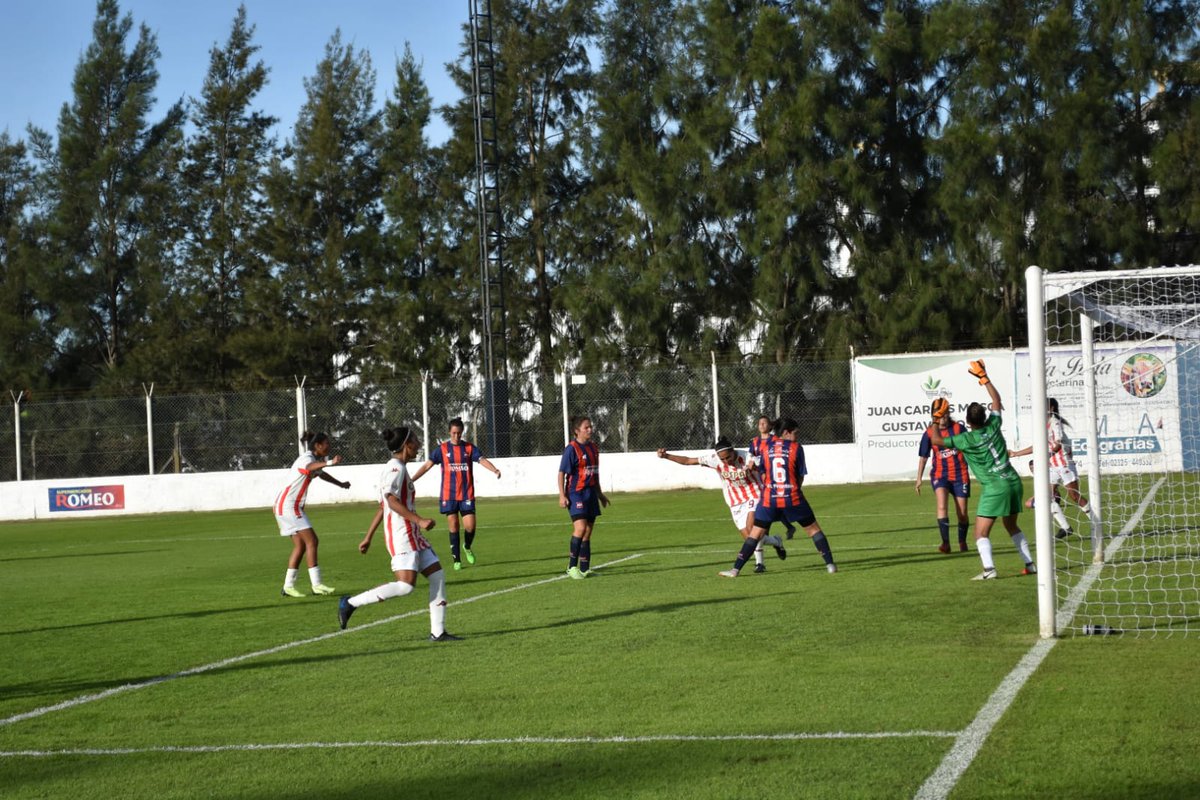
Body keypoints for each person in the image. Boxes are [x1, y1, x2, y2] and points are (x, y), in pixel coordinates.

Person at [337, 427, 461, 641]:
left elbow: (381, 507)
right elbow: (391, 501)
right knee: (405, 586)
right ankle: (350, 603)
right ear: (406, 445)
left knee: (437, 575)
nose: (418, 444)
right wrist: (419, 520)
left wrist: (368, 536)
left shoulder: (399, 468)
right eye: (415, 440)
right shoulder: (395, 469)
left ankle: (438, 632)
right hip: (401, 535)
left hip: (412, 534)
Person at [929, 360, 1036, 580]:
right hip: (1014, 481)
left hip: (995, 487)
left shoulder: (966, 439)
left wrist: (936, 417)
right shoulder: (994, 424)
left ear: (968, 421)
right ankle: (1030, 564)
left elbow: (937, 440)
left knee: (980, 533)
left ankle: (989, 570)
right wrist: (983, 377)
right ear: (984, 417)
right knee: (1011, 525)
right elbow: (996, 400)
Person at [719, 418, 836, 577]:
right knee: (813, 530)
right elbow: (800, 475)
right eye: (796, 433)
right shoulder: (796, 448)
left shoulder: (766, 448)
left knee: (755, 533)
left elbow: (761, 471)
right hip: (792, 495)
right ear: (786, 432)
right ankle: (830, 565)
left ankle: (735, 570)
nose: (797, 436)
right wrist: (793, 490)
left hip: (769, 498)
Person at [657, 437, 786, 573]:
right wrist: (666, 456)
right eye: (722, 459)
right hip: (735, 501)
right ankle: (776, 541)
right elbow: (688, 461)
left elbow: (764, 466)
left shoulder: (747, 457)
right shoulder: (714, 459)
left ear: (733, 451)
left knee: (751, 528)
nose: (726, 461)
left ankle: (759, 564)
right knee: (750, 537)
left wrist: (756, 467)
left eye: (728, 457)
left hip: (754, 494)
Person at [411, 417, 502, 570]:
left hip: (466, 493)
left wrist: (494, 470)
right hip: (449, 494)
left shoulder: (468, 448)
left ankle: (467, 546)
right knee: (453, 525)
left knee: (470, 527)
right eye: (454, 433)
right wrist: (412, 479)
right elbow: (427, 466)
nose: (456, 436)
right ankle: (457, 560)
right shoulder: (442, 450)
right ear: (449, 432)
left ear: (462, 433)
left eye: (459, 433)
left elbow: (481, 459)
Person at [1008, 398, 1102, 539]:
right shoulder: (1042, 425)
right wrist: (1016, 454)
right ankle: (1066, 528)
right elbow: (1037, 445)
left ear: (1050, 408)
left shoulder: (1055, 422)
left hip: (1064, 463)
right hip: (1052, 466)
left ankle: (1096, 523)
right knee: (1045, 497)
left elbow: (1057, 443)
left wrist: (1047, 455)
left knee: (1074, 496)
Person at [273, 430, 349, 597]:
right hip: (289, 506)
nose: (329, 446)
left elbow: (321, 474)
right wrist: (329, 462)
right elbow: (310, 468)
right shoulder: (306, 459)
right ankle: (317, 585)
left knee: (300, 545)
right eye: (327, 444)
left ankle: (288, 587)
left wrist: (340, 484)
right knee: (312, 541)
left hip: (284, 506)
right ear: (318, 446)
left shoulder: (315, 460)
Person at [915, 398, 971, 553]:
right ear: (933, 415)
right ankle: (945, 543)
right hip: (940, 475)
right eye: (940, 414)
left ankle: (962, 542)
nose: (943, 417)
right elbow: (924, 456)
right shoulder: (929, 432)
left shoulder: (959, 429)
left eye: (945, 413)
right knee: (941, 506)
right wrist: (919, 478)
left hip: (960, 475)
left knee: (962, 513)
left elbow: (969, 447)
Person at [558, 416, 610, 579]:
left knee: (587, 532)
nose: (590, 430)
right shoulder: (571, 449)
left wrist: (600, 494)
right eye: (586, 427)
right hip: (576, 493)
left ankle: (585, 569)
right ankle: (571, 567)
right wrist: (561, 495)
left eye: (590, 427)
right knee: (580, 529)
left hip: (590, 494)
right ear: (577, 431)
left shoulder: (594, 448)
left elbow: (595, 473)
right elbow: (561, 473)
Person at [748, 414, 798, 540]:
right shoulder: (754, 442)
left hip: (771, 477)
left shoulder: (775, 440)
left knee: (770, 504)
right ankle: (786, 527)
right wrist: (751, 464)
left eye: (764, 423)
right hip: (758, 477)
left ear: (770, 426)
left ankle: (766, 535)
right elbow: (751, 457)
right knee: (771, 505)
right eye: (760, 423)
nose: (762, 425)